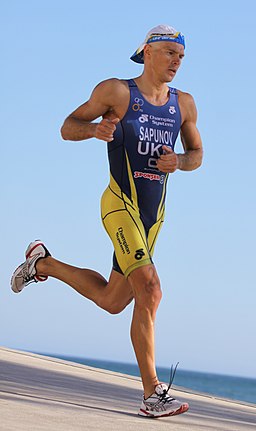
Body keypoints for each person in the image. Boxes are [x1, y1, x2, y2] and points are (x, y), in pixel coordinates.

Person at [11, 24, 203, 418]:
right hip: (118, 205)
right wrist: (94, 130)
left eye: (181, 56)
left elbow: (197, 153)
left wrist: (179, 162)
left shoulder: (183, 103)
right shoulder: (117, 92)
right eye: (170, 53)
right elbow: (68, 127)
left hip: (152, 220)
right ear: (147, 53)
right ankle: (152, 394)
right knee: (150, 289)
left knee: (114, 301)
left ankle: (42, 263)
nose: (177, 62)